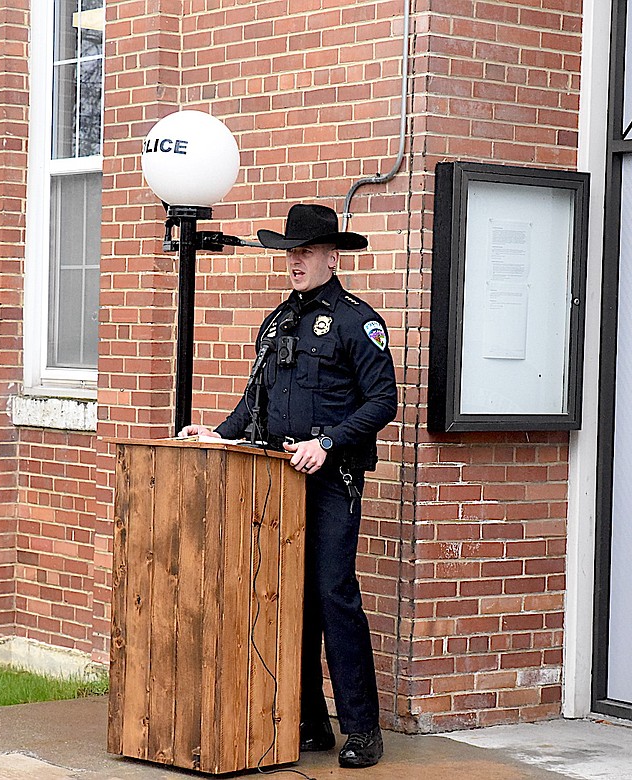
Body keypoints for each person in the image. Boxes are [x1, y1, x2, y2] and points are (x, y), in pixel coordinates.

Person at [180, 203, 397, 769]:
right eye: (290, 253)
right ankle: (310, 724)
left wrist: (326, 442)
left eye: (304, 253)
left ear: (331, 258)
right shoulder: (278, 320)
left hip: (331, 480)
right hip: (278, 480)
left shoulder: (357, 321)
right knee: (289, 600)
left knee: (333, 597)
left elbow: (383, 402)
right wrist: (222, 434)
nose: (294, 262)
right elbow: (259, 397)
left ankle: (363, 730)